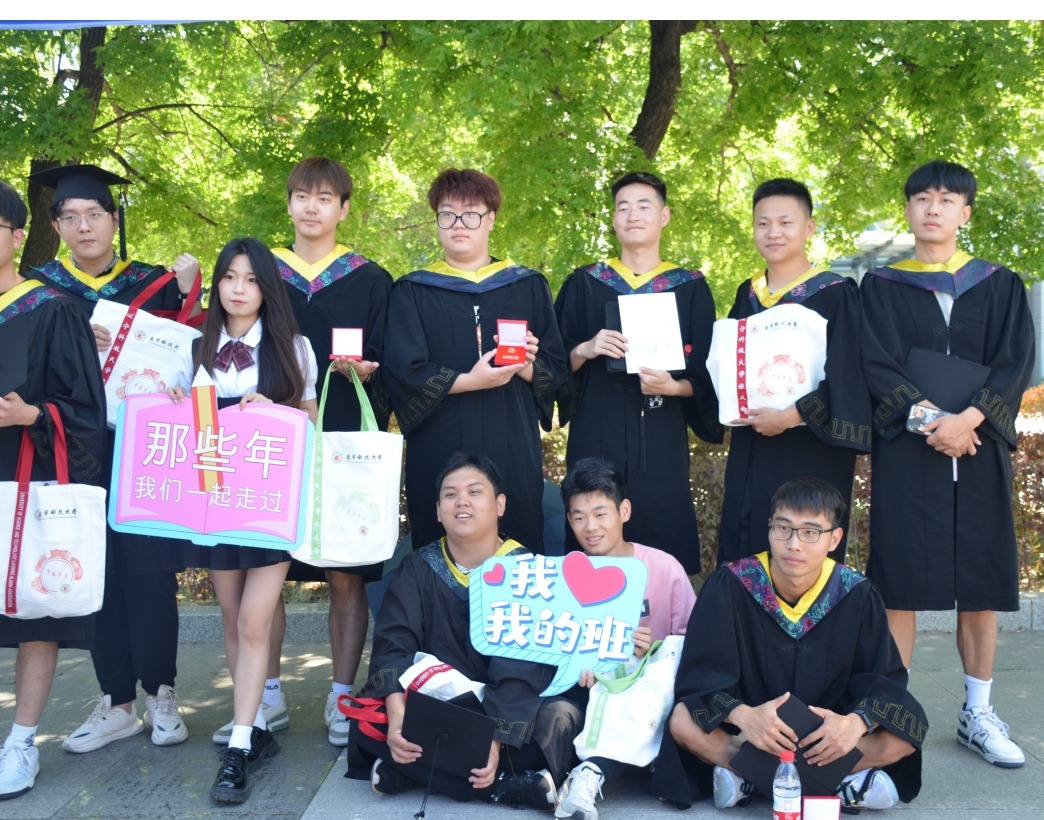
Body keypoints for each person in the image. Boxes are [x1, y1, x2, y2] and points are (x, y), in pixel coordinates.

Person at [208, 157, 394, 749]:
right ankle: (266, 695)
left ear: (344, 208)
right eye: (302, 196)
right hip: (261, 443)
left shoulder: (371, 279)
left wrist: (372, 371)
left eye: (325, 197)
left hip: (339, 435)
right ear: (288, 204)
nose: (312, 207)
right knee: (266, 566)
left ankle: (341, 694)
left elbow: (392, 357)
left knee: (345, 569)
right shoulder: (262, 272)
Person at [860, 160, 1035, 768]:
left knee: (981, 581)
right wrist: (931, 420)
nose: (933, 208)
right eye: (922, 198)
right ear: (908, 209)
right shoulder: (880, 287)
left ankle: (977, 713)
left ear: (966, 212)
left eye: (946, 199)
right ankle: (895, 716)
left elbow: (1015, 363)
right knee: (899, 583)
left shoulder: (1000, 284)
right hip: (910, 452)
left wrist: (970, 420)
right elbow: (875, 363)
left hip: (980, 451)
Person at [25, 164, 202, 754]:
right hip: (73, 449)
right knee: (94, 571)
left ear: (114, 218)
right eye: (70, 217)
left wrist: (190, 294)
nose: (84, 227)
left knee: (150, 571)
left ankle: (162, 693)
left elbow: (192, 354)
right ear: (55, 226)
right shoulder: (40, 292)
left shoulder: (154, 284)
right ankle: (116, 702)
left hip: (144, 448)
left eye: (95, 214)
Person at [657, 478, 927, 811]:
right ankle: (835, 783)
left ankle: (749, 778)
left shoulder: (855, 593)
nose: (794, 544)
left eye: (810, 532)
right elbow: (701, 674)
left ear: (834, 538)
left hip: (827, 736)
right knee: (683, 720)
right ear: (770, 528)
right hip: (749, 733)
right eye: (783, 528)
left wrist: (855, 723)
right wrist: (744, 715)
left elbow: (884, 680)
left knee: (905, 731)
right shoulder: (734, 584)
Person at [169, 238, 319, 803]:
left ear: (267, 288)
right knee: (232, 619)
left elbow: (312, 425)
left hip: (270, 501)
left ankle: (236, 750)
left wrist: (276, 414)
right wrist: (172, 401)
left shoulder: (295, 348)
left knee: (255, 620)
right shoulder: (194, 346)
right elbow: (175, 426)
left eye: (251, 279)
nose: (238, 289)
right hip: (213, 500)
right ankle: (251, 726)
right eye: (229, 277)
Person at [347, 453, 581, 810]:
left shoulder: (528, 572)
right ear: (438, 511)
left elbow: (522, 667)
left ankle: (416, 773)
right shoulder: (419, 568)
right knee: (370, 720)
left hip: (510, 707)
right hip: (441, 705)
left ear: (499, 505)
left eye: (474, 492)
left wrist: (494, 740)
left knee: (562, 718)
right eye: (450, 495)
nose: (462, 502)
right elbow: (393, 644)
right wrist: (397, 718)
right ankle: (505, 786)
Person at [384, 169, 567, 551]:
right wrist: (470, 381)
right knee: (440, 549)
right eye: (447, 214)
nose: (458, 224)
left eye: (470, 214)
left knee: (516, 541)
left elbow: (557, 370)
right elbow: (403, 370)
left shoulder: (526, 285)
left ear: (491, 219)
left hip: (512, 440)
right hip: (439, 441)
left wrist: (526, 365)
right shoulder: (412, 290)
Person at [555, 171, 721, 574]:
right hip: (596, 432)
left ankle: (663, 615)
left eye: (644, 206)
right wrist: (585, 348)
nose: (633, 215)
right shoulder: (584, 283)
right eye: (623, 207)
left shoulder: (689, 288)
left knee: (660, 541)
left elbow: (709, 374)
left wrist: (675, 386)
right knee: (592, 540)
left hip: (660, 438)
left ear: (664, 216)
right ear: (613, 219)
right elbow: (552, 364)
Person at [0, 180, 107, 799]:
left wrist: (33, 416)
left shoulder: (52, 309)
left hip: (24, 480)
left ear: (19, 237)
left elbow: (86, 411)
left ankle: (21, 742)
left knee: (32, 615)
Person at [717, 178, 870, 565]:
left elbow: (849, 374)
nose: (773, 232)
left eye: (785, 222)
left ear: (809, 227)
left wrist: (792, 415)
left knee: (801, 548)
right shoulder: (748, 294)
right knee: (747, 543)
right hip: (752, 441)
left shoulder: (836, 292)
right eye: (763, 223)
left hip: (811, 448)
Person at [555, 457, 696, 820]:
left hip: (652, 690)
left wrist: (651, 652)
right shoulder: (560, 577)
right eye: (579, 517)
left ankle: (592, 771)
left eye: (600, 514)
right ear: (569, 520)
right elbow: (551, 643)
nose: (590, 527)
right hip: (590, 688)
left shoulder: (664, 568)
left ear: (624, 511)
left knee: (663, 663)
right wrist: (582, 660)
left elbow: (692, 646)